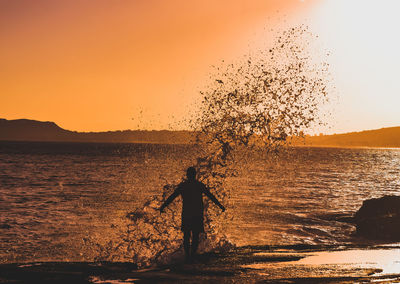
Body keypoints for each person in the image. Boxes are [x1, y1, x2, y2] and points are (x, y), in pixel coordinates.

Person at [159, 167, 225, 262]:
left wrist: (163, 206)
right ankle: (192, 255)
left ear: (187, 175)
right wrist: (220, 205)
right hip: (197, 213)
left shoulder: (183, 185)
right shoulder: (199, 185)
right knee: (195, 235)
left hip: (187, 213)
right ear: (195, 175)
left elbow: (172, 197)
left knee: (186, 235)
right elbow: (211, 196)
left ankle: (187, 256)